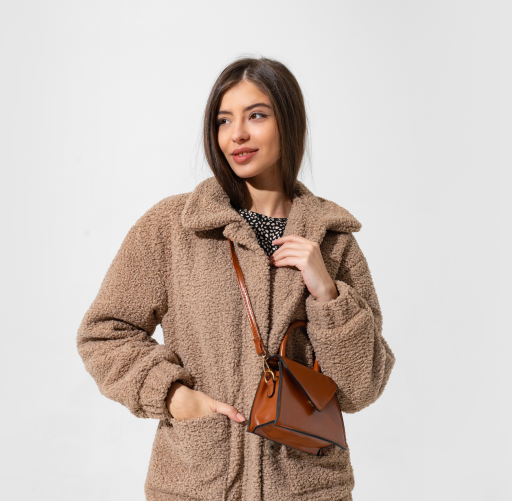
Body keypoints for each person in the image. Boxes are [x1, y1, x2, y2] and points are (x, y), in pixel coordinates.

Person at [77, 56, 395, 501]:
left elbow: (362, 387)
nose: (237, 134)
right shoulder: (174, 227)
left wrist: (328, 295)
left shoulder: (333, 241)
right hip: (198, 483)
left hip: (307, 488)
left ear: (289, 122)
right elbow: (104, 333)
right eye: (223, 120)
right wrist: (173, 395)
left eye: (256, 116)